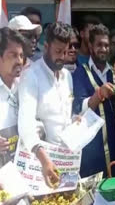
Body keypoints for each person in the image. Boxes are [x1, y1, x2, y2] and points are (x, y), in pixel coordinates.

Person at [18, 22, 72, 187]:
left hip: (68, 161)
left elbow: (65, 116)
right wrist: (44, 160)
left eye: (65, 51)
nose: (62, 57)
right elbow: (25, 125)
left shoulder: (67, 76)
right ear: (46, 46)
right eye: (58, 52)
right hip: (41, 164)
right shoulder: (31, 76)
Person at [72, 24, 115, 178]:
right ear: (91, 46)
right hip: (92, 150)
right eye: (99, 45)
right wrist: (99, 94)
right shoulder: (79, 73)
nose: (104, 49)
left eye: (107, 45)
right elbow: (79, 108)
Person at [0, 28, 26, 163]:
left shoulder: (25, 86)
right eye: (13, 55)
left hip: (21, 168)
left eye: (21, 55)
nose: (19, 61)